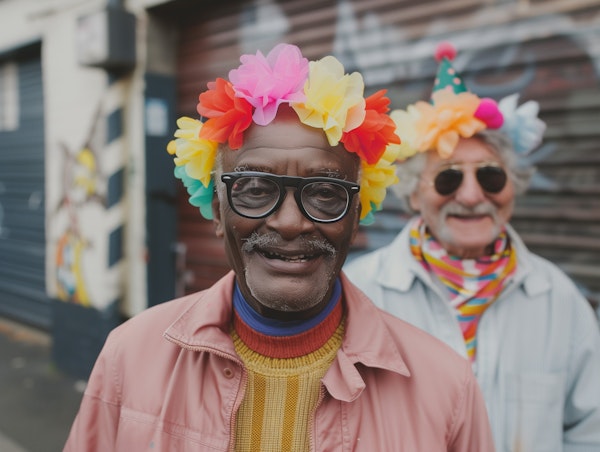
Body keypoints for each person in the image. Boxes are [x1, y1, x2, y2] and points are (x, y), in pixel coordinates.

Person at [64, 43, 495, 451]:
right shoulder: (130, 357)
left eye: (325, 192)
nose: (291, 222)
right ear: (217, 211)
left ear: (356, 214)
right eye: (254, 188)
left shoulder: (446, 385)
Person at [345, 42, 600, 452]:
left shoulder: (559, 299)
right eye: (447, 179)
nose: (470, 196)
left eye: (490, 177)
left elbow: (590, 432)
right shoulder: (357, 292)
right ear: (413, 194)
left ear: (511, 188)